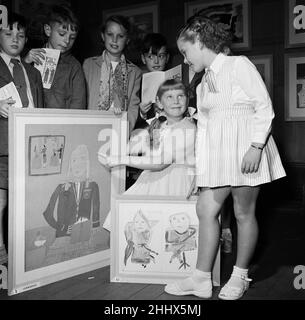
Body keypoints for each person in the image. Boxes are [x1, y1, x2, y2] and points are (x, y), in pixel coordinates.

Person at [164, 15, 286, 300]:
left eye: (185, 52)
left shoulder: (238, 65)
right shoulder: (202, 82)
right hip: (217, 153)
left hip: (246, 149)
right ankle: (201, 278)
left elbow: (264, 107)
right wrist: (200, 170)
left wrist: (256, 147)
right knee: (206, 209)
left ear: (200, 42)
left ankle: (240, 276)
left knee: (243, 213)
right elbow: (204, 130)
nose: (184, 60)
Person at [99, 79, 196, 230]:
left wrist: (120, 159)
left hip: (173, 183)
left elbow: (159, 163)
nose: (176, 101)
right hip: (154, 178)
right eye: (169, 97)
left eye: (180, 96)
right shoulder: (161, 125)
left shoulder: (187, 128)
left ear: (187, 99)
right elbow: (142, 149)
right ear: (159, 102)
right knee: (121, 217)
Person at [0, 12, 44, 264]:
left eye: (20, 35)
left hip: (30, 145)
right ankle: (1, 252)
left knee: (28, 200)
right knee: (1, 201)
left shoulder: (32, 71)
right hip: (3, 144)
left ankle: (27, 251)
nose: (15, 39)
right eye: (9, 33)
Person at [83, 15, 141, 135]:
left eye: (120, 36)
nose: (114, 40)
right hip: (90, 128)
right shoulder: (89, 64)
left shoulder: (135, 72)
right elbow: (82, 100)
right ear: (103, 36)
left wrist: (123, 132)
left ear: (127, 40)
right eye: (110, 34)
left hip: (118, 130)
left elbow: (133, 108)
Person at [25, 4, 86, 110]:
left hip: (61, 123)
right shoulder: (31, 58)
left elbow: (78, 105)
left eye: (72, 37)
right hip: (32, 122)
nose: (67, 41)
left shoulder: (74, 66)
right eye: (62, 34)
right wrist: (25, 62)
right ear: (48, 30)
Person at [134, 32, 170, 130]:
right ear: (143, 58)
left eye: (161, 56)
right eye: (150, 57)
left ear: (167, 57)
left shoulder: (174, 80)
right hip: (146, 133)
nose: (156, 61)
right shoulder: (137, 84)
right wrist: (142, 112)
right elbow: (132, 119)